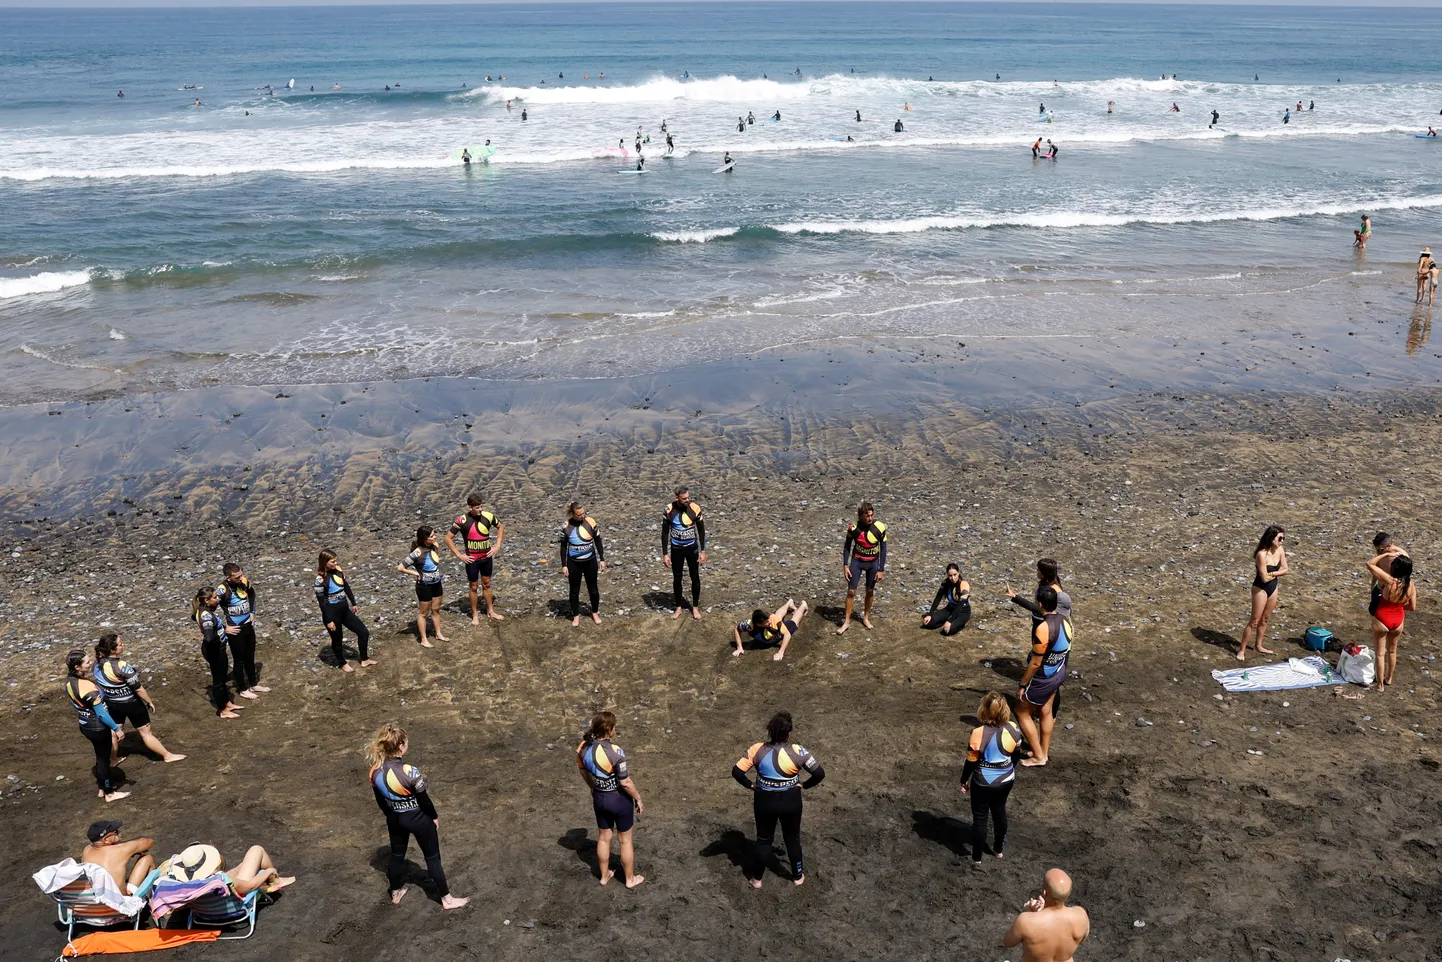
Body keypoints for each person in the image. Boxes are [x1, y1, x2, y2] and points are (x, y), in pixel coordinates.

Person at [366, 723, 468, 909]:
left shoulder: (374, 771)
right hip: (418, 819)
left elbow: (381, 801)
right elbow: (424, 801)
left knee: (397, 856)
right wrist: (434, 817)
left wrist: (392, 815)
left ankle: (395, 892)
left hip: (395, 819)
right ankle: (447, 899)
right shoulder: (410, 772)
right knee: (432, 859)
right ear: (400, 747)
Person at [732, 712, 824, 888]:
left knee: (764, 841)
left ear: (769, 731)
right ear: (789, 733)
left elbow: (737, 772)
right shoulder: (799, 751)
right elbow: (819, 774)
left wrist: (751, 786)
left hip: (765, 801)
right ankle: (797, 877)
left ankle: (757, 879)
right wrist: (804, 786)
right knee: (792, 839)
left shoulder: (757, 749)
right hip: (791, 801)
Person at [576, 711, 645, 888]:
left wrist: (593, 787)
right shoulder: (615, 752)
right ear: (610, 730)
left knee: (604, 838)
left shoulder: (583, 748)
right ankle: (630, 879)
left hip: (599, 798)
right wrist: (638, 798)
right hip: (619, 800)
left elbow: (584, 772)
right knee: (625, 840)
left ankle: (604, 875)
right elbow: (625, 782)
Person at [93, 635, 186, 763]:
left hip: (112, 703)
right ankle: (167, 756)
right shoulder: (122, 666)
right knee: (146, 733)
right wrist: (149, 701)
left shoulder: (96, 665)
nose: (123, 645)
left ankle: (113, 759)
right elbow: (138, 689)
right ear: (113, 650)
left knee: (114, 732)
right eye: (120, 644)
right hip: (131, 704)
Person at [961, 692, 1023, 864]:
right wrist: (1008, 770)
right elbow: (1016, 755)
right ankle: (998, 850)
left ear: (984, 710)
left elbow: (971, 763)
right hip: (1006, 779)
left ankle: (976, 858)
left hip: (983, 781)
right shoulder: (1013, 728)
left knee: (980, 819)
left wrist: (963, 780)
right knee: (999, 810)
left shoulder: (977, 733)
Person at [1015, 586, 1071, 767]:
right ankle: (1043, 752)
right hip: (1058, 673)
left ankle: (1039, 756)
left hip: (1044, 678)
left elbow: (1036, 663)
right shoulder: (1066, 622)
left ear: (1040, 604)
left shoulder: (1043, 628)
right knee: (1046, 711)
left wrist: (1023, 684)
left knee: (1021, 712)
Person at [65, 650, 129, 802]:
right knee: (103, 760)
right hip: (98, 727)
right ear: (77, 667)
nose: (90, 663)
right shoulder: (88, 687)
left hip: (85, 724)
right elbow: (101, 714)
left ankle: (102, 788)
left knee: (100, 756)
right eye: (86, 662)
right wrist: (117, 729)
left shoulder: (69, 682)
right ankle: (109, 793)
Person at [1002, 869, 1090, 962]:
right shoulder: (1081, 915)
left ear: (1044, 892)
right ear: (1069, 892)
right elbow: (1082, 940)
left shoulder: (1025, 921)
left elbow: (1008, 942)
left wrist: (1027, 912)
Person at [446, 493, 504, 624]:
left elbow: (500, 527)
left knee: (487, 584)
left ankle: (491, 611)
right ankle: (475, 615)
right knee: (473, 587)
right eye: (477, 507)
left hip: (486, 557)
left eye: (481, 506)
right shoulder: (462, 520)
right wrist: (460, 555)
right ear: (470, 507)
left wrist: (497, 546)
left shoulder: (488, 516)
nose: (480, 509)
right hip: (472, 560)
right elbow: (448, 538)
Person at [315, 549, 374, 671]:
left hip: (344, 611)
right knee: (337, 640)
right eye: (333, 561)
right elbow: (322, 603)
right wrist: (329, 620)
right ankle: (342, 663)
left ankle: (364, 659)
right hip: (332, 614)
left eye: (336, 560)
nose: (335, 563)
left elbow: (346, 586)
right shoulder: (320, 580)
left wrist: (353, 602)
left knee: (364, 632)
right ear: (325, 562)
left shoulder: (339, 571)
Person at [165, 843, 295, 898]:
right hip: (231, 897)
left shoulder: (187, 885)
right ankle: (274, 880)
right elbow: (251, 886)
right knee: (256, 850)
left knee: (245, 865)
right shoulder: (220, 881)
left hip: (207, 907)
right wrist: (269, 871)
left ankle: (271, 877)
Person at [1366, 552, 1416, 694]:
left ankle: (1380, 685)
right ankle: (1389, 678)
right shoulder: (1411, 585)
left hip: (1382, 618)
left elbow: (1370, 564)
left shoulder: (1389, 581)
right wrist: (1399, 607)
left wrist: (1385, 554)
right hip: (1398, 620)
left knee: (1380, 653)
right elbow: (1412, 607)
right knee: (1393, 651)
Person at [216, 563, 268, 700]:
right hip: (235, 629)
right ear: (228, 577)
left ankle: (253, 684)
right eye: (237, 577)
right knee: (239, 661)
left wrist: (252, 612)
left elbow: (252, 594)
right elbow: (208, 610)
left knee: (250, 657)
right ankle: (243, 689)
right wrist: (223, 627)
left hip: (248, 626)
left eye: (241, 575)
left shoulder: (243, 582)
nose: (241, 578)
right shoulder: (222, 589)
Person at [1237, 525, 1287, 660]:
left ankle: (1258, 645)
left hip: (1273, 587)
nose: (1282, 541)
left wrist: (1273, 573)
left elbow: (1285, 569)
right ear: (1271, 538)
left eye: (1283, 538)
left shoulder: (1280, 550)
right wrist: (1275, 574)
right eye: (1280, 538)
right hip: (1260, 589)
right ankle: (1241, 649)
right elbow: (1264, 578)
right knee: (1254, 620)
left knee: (1265, 619)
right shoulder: (1261, 554)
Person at [838, 502, 887, 634]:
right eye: (867, 516)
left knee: (870, 591)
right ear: (861, 516)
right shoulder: (853, 528)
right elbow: (847, 546)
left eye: (872, 515)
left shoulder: (880, 527)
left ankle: (866, 618)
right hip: (857, 562)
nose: (870, 518)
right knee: (851, 592)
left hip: (873, 563)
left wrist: (881, 569)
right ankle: (847, 621)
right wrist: (845, 565)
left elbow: (883, 549)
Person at [192, 587, 241, 718]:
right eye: (214, 597)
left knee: (223, 678)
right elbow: (208, 637)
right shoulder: (206, 615)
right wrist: (219, 636)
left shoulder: (203, 610)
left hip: (218, 649)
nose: (217, 599)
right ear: (206, 601)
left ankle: (227, 704)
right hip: (214, 650)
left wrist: (223, 628)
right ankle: (222, 711)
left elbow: (194, 617)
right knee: (218, 681)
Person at [399, 526, 448, 647]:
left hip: (437, 582)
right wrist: (416, 573)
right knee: (423, 613)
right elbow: (401, 567)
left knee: (436, 610)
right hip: (424, 586)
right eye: (432, 536)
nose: (435, 537)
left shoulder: (434, 545)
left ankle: (438, 633)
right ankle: (424, 639)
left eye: (434, 534)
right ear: (425, 539)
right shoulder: (418, 552)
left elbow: (435, 547)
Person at [662, 486, 706, 620]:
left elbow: (701, 531)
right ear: (677, 498)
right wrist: (665, 553)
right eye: (684, 499)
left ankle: (695, 607)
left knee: (695, 577)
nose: (687, 500)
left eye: (688, 497)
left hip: (692, 548)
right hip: (676, 550)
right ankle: (678, 607)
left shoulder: (695, 508)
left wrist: (703, 551)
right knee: (677, 578)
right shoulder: (669, 510)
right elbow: (664, 532)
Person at [561, 502, 606, 626]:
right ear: (572, 514)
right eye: (579, 514)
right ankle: (576, 615)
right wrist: (564, 565)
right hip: (573, 563)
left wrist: (602, 559)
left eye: (583, 513)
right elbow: (563, 547)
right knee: (574, 590)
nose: (582, 516)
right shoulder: (566, 526)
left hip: (590, 561)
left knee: (593, 589)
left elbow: (598, 541)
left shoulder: (590, 522)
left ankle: (595, 612)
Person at [82, 821, 154, 895]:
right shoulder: (120, 850)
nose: (118, 833)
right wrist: (131, 850)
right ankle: (152, 896)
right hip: (120, 903)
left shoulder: (86, 850)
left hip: (98, 900)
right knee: (147, 858)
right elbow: (149, 842)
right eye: (115, 832)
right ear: (106, 839)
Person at [1007, 558, 1072, 636]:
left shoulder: (1055, 592)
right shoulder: (1043, 584)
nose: (1037, 572)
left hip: (1046, 627)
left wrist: (1016, 598)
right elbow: (1037, 607)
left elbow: (1056, 615)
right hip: (1038, 621)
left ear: (1043, 574)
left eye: (1038, 570)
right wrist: (1014, 596)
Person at [734, 599, 809, 661]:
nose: (769, 622)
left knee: (794, 622)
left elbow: (787, 634)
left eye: (768, 620)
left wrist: (780, 652)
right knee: (776, 618)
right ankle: (789, 603)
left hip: (775, 633)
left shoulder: (772, 619)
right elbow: (737, 629)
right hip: (767, 632)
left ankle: (803, 605)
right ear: (758, 624)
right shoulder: (749, 625)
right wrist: (739, 647)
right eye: (766, 622)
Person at [921, 563, 971, 634]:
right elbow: (938, 598)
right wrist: (930, 614)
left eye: (955, 575)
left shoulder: (964, 585)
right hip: (950, 609)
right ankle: (946, 620)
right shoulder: (945, 583)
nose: (953, 578)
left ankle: (961, 624)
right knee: (929, 623)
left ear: (958, 573)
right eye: (950, 576)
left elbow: (960, 605)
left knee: (948, 630)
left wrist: (949, 621)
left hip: (962, 611)